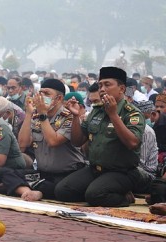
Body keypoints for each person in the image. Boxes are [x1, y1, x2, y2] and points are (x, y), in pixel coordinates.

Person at [56, 66, 150, 207]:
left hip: (122, 172)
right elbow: (77, 141)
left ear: (122, 89)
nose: (102, 89)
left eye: (107, 84)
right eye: (100, 85)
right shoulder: (97, 111)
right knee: (63, 191)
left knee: (95, 195)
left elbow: (132, 143)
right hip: (95, 169)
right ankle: (103, 190)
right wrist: (75, 116)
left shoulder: (132, 113)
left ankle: (125, 197)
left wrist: (113, 114)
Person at [18, 79, 86, 199]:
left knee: (62, 190)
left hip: (66, 173)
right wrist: (28, 114)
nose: (42, 96)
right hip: (43, 173)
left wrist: (42, 114)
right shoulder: (36, 116)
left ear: (59, 99)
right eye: (41, 93)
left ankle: (38, 190)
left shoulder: (69, 116)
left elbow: (53, 141)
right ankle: (32, 189)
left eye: (47, 94)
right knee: (9, 174)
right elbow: (22, 145)